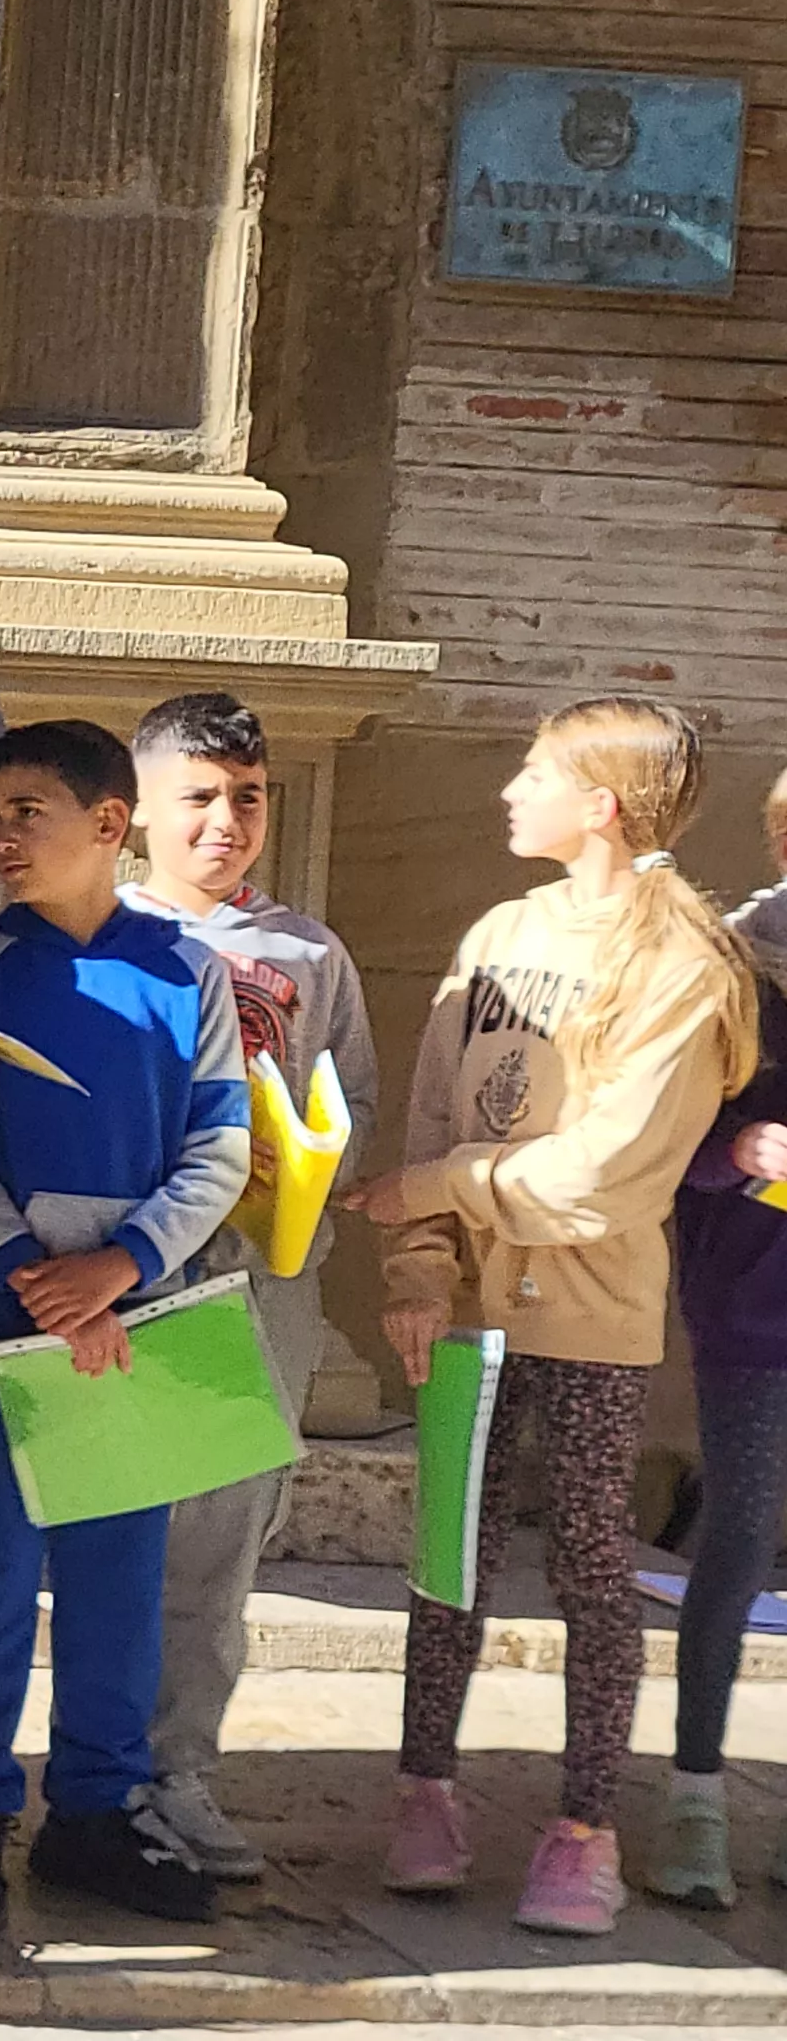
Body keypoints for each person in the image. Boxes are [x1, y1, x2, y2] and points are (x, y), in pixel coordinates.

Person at [343, 695, 756, 1937]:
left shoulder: (685, 966)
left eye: (535, 771)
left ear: (602, 804)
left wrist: (435, 1190)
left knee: (587, 1559)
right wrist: (417, 1266)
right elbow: (427, 1112)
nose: (507, 791)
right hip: (464, 1306)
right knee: (445, 1555)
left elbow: (604, 1171)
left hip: (591, 1309)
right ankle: (425, 1789)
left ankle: (583, 1823)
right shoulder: (497, 932)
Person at [0, 719, 248, 1931]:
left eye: (25, 813)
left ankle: (97, 1812)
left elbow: (220, 1143)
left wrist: (121, 1264)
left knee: (121, 1575)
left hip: (140, 1310)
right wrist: (25, 1268)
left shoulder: (186, 970)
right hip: (4, 1310)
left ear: (110, 825)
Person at [122, 692, 380, 1882]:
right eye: (199, 797)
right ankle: (88, 1766)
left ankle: (180, 1769)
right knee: (115, 1529)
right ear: (137, 813)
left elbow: (353, 1100)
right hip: (131, 1277)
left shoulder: (309, 952)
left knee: (221, 1543)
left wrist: (311, 1158)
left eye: (247, 797)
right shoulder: (102, 930)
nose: (225, 820)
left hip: (258, 1278)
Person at [652, 767, 787, 1909]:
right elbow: (671, 1131)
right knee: (739, 1534)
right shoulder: (734, 962)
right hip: (757, 1298)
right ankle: (693, 1791)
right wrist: (739, 1154)